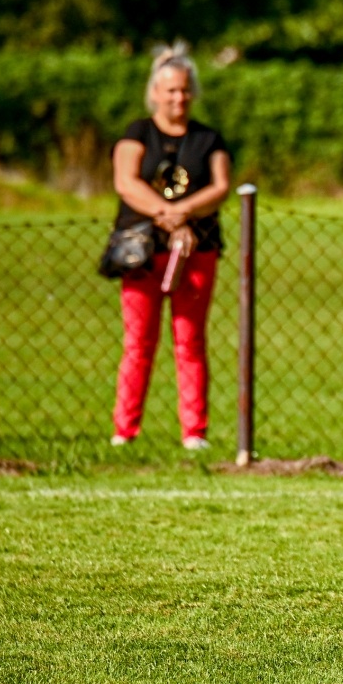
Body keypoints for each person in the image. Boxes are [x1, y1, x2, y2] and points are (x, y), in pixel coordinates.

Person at [109, 43, 232, 450]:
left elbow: (220, 186)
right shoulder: (136, 132)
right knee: (139, 342)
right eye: (170, 91)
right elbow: (126, 182)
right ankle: (124, 431)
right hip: (142, 251)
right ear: (155, 93)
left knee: (190, 339)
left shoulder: (208, 139)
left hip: (198, 249)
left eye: (184, 91)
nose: (178, 98)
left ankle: (194, 432)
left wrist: (185, 214)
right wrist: (167, 213)